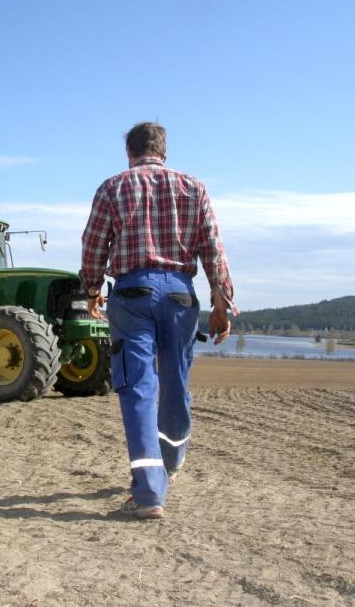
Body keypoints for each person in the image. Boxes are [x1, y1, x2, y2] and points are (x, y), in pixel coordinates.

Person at [80, 121, 235, 519]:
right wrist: (222, 302)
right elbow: (212, 247)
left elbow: (94, 243)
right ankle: (171, 462)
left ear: (129, 152)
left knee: (138, 388)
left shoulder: (113, 187)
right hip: (181, 295)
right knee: (175, 383)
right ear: (163, 151)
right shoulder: (194, 187)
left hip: (132, 295)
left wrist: (92, 288)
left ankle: (149, 492)